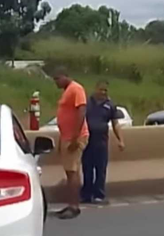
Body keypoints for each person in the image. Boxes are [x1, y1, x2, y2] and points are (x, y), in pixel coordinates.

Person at [52, 67, 89, 220]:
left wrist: (74, 137)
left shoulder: (76, 89)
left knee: (72, 172)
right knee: (70, 171)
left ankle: (74, 206)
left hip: (75, 137)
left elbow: (81, 111)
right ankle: (71, 204)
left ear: (65, 76)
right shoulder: (67, 91)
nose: (56, 82)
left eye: (57, 79)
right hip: (67, 136)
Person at [81, 81, 125, 205]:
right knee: (87, 169)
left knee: (100, 169)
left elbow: (115, 124)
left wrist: (121, 140)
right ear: (95, 89)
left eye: (105, 90)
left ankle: (99, 195)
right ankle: (86, 194)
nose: (103, 92)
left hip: (101, 142)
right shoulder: (87, 102)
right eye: (101, 90)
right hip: (87, 140)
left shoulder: (110, 105)